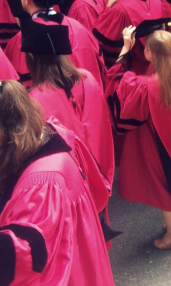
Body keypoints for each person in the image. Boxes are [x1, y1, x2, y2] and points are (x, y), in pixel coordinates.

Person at [0, 80, 114, 285]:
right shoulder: (51, 132)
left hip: (65, 271)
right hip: (77, 256)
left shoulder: (41, 184)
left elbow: (24, 255)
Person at [107, 20, 171, 250]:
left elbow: (114, 81)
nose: (143, 50)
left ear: (152, 54)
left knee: (162, 185)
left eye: (145, 48)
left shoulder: (147, 85)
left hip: (157, 142)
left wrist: (125, 49)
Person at [22, 19, 114, 185]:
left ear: (31, 57)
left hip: (66, 181)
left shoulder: (33, 100)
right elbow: (99, 129)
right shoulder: (87, 78)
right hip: (96, 169)